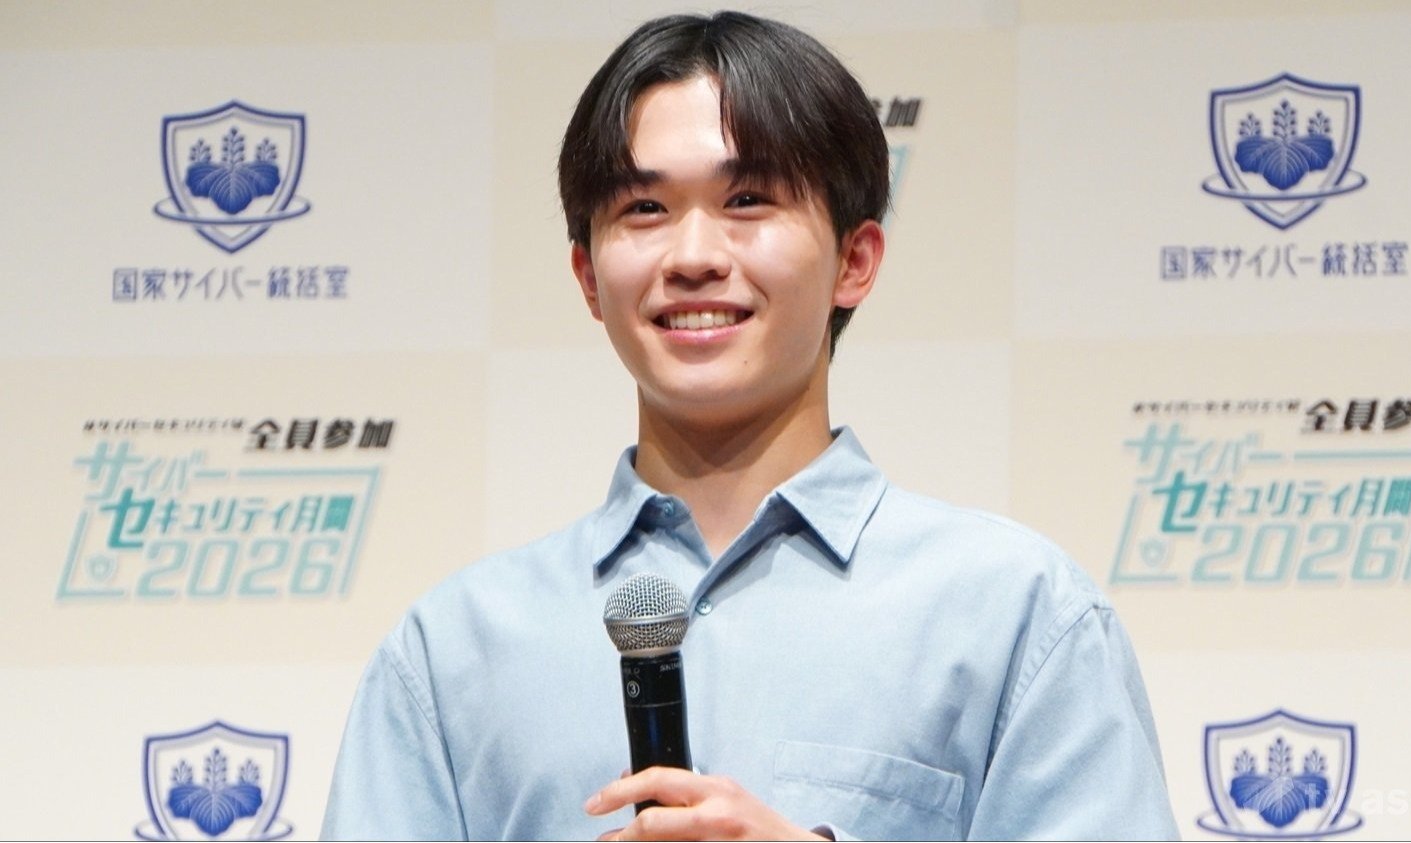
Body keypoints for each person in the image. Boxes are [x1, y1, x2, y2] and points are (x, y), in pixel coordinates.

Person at [322, 11, 1178, 841]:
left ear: (854, 260)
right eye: (644, 209)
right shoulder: (454, 648)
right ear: (588, 277)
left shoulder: (1015, 611)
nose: (694, 256)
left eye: (748, 200)